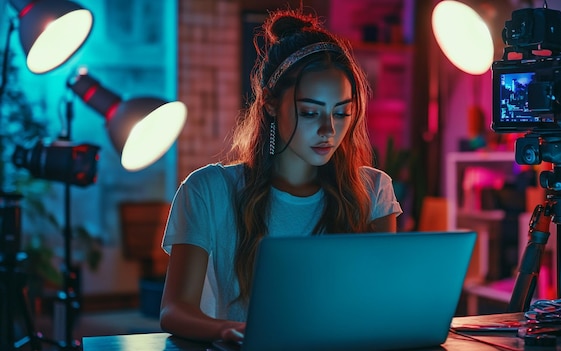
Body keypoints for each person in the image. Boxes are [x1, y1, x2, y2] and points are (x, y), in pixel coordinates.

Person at [159, 8, 403, 343]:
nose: (328, 130)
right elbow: (175, 311)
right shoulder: (208, 190)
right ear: (271, 104)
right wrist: (230, 330)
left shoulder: (373, 190)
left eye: (342, 112)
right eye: (310, 112)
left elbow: (382, 303)